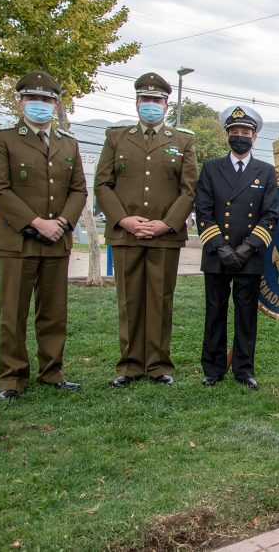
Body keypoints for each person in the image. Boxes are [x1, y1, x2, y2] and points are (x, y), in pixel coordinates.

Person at [0, 71, 87, 401]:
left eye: (47, 100)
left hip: (57, 240)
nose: (41, 105)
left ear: (56, 106)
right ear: (21, 102)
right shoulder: (3, 139)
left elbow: (78, 189)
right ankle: (12, 378)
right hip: (18, 241)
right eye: (34, 99)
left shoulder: (67, 143)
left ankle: (52, 371)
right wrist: (36, 222)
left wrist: (61, 223)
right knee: (13, 313)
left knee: (54, 312)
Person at [95, 72, 198, 387]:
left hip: (164, 237)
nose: (150, 105)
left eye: (156, 100)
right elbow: (103, 183)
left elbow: (189, 189)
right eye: (145, 100)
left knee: (160, 299)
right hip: (126, 234)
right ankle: (128, 365)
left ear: (166, 105)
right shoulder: (117, 137)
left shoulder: (183, 140)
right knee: (129, 300)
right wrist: (123, 219)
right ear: (136, 102)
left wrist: (166, 223)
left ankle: (158, 364)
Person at [195, 105, 278, 389]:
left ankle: (244, 370)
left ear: (254, 138)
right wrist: (222, 249)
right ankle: (213, 368)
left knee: (246, 316)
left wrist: (246, 249)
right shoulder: (210, 168)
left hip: (249, 256)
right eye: (235, 132)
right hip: (218, 255)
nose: (240, 136)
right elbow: (203, 212)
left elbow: (270, 216)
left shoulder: (266, 172)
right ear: (226, 135)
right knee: (214, 312)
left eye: (245, 132)